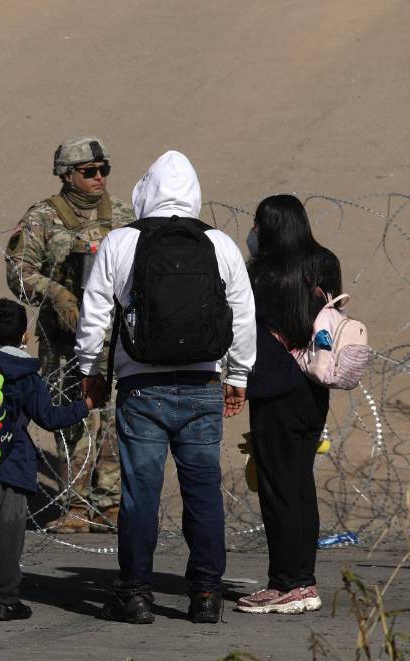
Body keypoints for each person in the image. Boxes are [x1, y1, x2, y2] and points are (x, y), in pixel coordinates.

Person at [75, 150, 255, 625]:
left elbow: (96, 313)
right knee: (202, 491)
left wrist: (91, 370)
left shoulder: (120, 241)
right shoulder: (219, 243)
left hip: (142, 387)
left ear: (146, 190)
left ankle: (134, 592)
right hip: (202, 386)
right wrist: (238, 375)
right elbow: (241, 312)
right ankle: (206, 595)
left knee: (140, 493)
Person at [6, 137, 135, 532]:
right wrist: (56, 292)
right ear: (66, 174)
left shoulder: (125, 215)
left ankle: (110, 504)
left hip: (119, 337)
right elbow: (18, 273)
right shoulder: (43, 217)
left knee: (116, 418)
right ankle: (75, 504)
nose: (99, 178)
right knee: (74, 418)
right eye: (89, 171)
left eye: (103, 170)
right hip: (64, 340)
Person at [0, 299, 93, 621]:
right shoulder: (25, 374)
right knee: (7, 537)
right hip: (11, 465)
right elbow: (50, 418)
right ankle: (6, 601)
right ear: (24, 336)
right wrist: (85, 404)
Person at [237, 196, 337, 614]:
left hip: (274, 389)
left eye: (258, 225)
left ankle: (287, 583)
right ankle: (303, 581)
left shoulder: (262, 274)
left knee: (279, 489)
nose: (254, 232)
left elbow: (244, 326)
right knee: (299, 485)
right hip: (313, 384)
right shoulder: (324, 262)